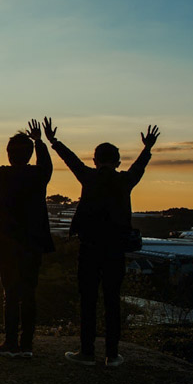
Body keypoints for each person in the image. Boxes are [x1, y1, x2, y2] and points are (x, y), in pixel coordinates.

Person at [44, 117, 160, 367]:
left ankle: (86, 352)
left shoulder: (89, 177)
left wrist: (54, 141)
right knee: (112, 300)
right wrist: (147, 148)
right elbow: (139, 166)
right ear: (118, 162)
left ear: (95, 160)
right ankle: (112, 353)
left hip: (89, 248)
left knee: (88, 300)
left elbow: (71, 160)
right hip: (116, 249)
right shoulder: (124, 181)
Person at [0, 118, 54, 358]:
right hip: (33, 243)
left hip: (7, 244)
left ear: (9, 154)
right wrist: (40, 142)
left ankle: (10, 342)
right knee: (29, 292)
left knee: (10, 293)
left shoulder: (2, 176)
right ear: (30, 154)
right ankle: (27, 344)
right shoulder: (39, 175)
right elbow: (47, 164)